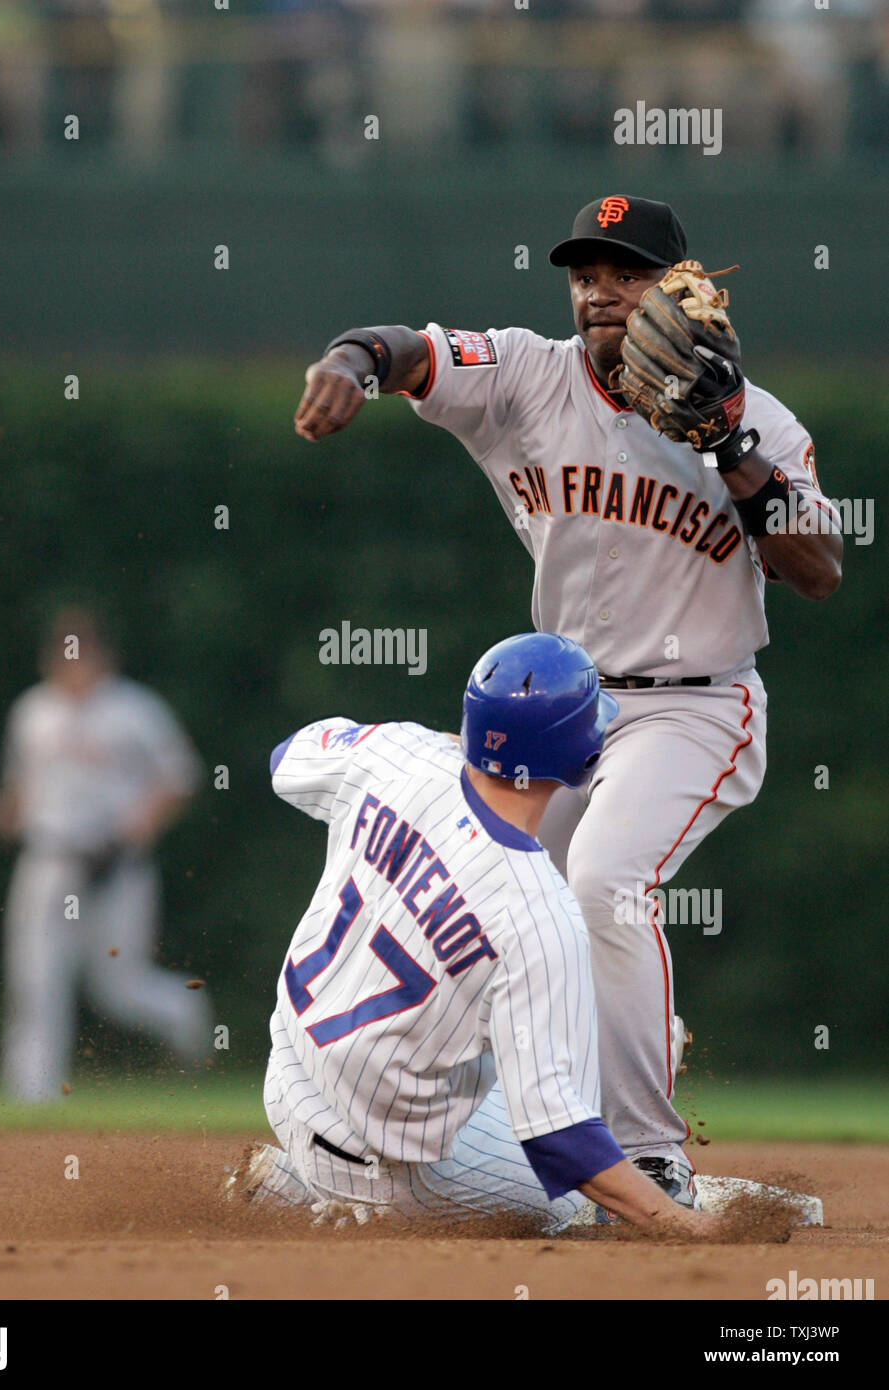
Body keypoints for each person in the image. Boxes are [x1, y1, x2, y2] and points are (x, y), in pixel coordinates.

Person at [292, 195, 843, 1206]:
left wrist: (727, 445)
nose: (599, 291)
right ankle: (399, 1141)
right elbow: (403, 347)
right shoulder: (526, 374)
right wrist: (347, 364)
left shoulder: (759, 420)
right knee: (488, 909)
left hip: (694, 709)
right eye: (585, 273)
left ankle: (648, 1155)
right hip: (566, 714)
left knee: (599, 887)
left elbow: (816, 567)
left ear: (682, 290)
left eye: (625, 273)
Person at [232, 632, 721, 1235]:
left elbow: (287, 757)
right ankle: (302, 1193)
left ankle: (294, 1178)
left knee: (520, 1041)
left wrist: (415, 757)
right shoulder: (540, 912)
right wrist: (681, 1226)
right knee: (579, 1206)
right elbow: (560, 1140)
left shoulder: (397, 754)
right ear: (584, 756)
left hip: (287, 1083)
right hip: (387, 1168)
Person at [0, 608, 210, 1102]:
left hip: (115, 865)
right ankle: (31, 1097)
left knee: (118, 986)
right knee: (35, 976)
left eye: (83, 651)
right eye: (66, 652)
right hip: (48, 859)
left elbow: (178, 777)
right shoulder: (33, 711)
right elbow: (20, 788)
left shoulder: (133, 709)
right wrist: (6, 812)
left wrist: (131, 834)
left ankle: (186, 1013)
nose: (74, 663)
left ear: (104, 657)